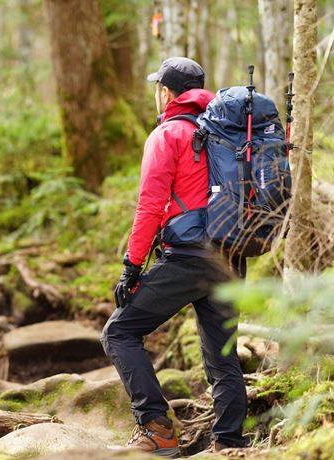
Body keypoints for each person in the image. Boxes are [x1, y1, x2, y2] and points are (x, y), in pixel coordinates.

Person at [100, 57, 248, 457]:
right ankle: (230, 442)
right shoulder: (225, 131)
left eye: (158, 87)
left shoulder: (168, 135)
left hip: (188, 257)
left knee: (118, 332)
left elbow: (150, 204)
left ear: (167, 92)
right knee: (222, 354)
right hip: (232, 255)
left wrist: (132, 266)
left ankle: (157, 428)